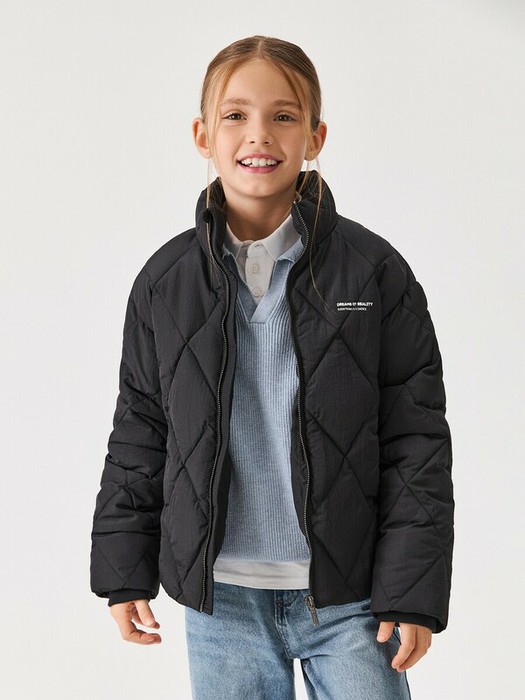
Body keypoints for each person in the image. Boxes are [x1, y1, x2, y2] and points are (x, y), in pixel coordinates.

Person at [90, 35, 454, 700]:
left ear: (315, 136)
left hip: (350, 593)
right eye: (235, 115)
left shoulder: (373, 272)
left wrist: (410, 589)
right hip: (220, 596)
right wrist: (123, 567)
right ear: (203, 136)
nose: (259, 134)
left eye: (283, 116)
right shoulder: (165, 283)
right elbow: (141, 428)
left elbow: (415, 439)